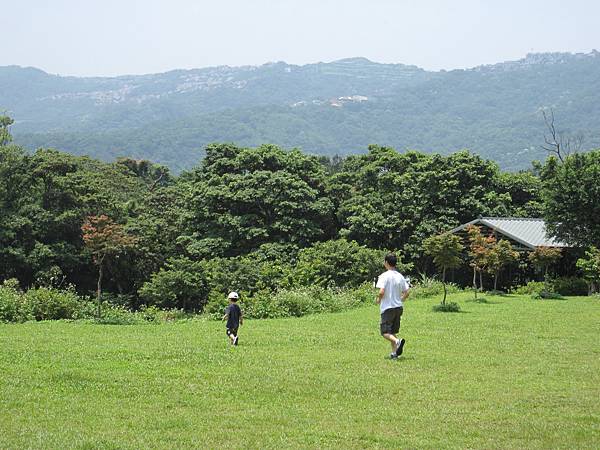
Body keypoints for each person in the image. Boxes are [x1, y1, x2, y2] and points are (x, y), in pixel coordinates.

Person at [375, 253, 410, 359]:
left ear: (386, 263)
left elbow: (381, 292)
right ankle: (395, 354)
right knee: (392, 331)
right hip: (398, 307)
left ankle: (397, 341)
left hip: (388, 307)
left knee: (385, 332)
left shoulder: (384, 276)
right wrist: (401, 299)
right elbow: (407, 292)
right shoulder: (400, 276)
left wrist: (378, 299)